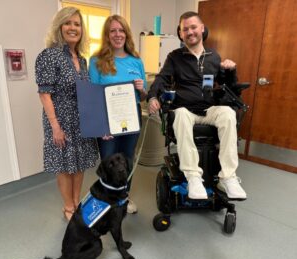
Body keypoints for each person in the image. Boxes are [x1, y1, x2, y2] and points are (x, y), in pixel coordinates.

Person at [147, 11, 247, 200]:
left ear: (202, 29)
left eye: (193, 27)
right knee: (181, 114)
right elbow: (161, 79)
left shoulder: (213, 57)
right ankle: (193, 177)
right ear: (181, 33)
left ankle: (228, 177)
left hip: (208, 109)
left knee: (227, 112)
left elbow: (229, 86)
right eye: (185, 29)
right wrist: (153, 97)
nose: (190, 32)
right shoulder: (175, 57)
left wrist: (231, 71)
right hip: (186, 110)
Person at [35, 7, 98, 221]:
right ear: (59, 27)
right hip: (60, 120)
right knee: (64, 165)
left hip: (81, 121)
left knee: (78, 163)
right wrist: (55, 127)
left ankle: (77, 201)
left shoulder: (82, 60)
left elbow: (87, 93)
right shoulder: (49, 55)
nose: (73, 28)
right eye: (68, 23)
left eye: (77, 24)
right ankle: (69, 207)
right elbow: (45, 94)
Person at [89, 15, 147, 213]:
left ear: (126, 34)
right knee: (109, 162)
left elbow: (144, 96)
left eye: (121, 30)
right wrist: (100, 126)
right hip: (107, 122)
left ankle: (124, 199)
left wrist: (142, 89)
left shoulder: (136, 61)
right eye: (113, 30)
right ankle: (107, 202)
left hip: (132, 119)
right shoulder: (96, 61)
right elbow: (93, 96)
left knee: (127, 160)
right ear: (107, 35)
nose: (117, 34)